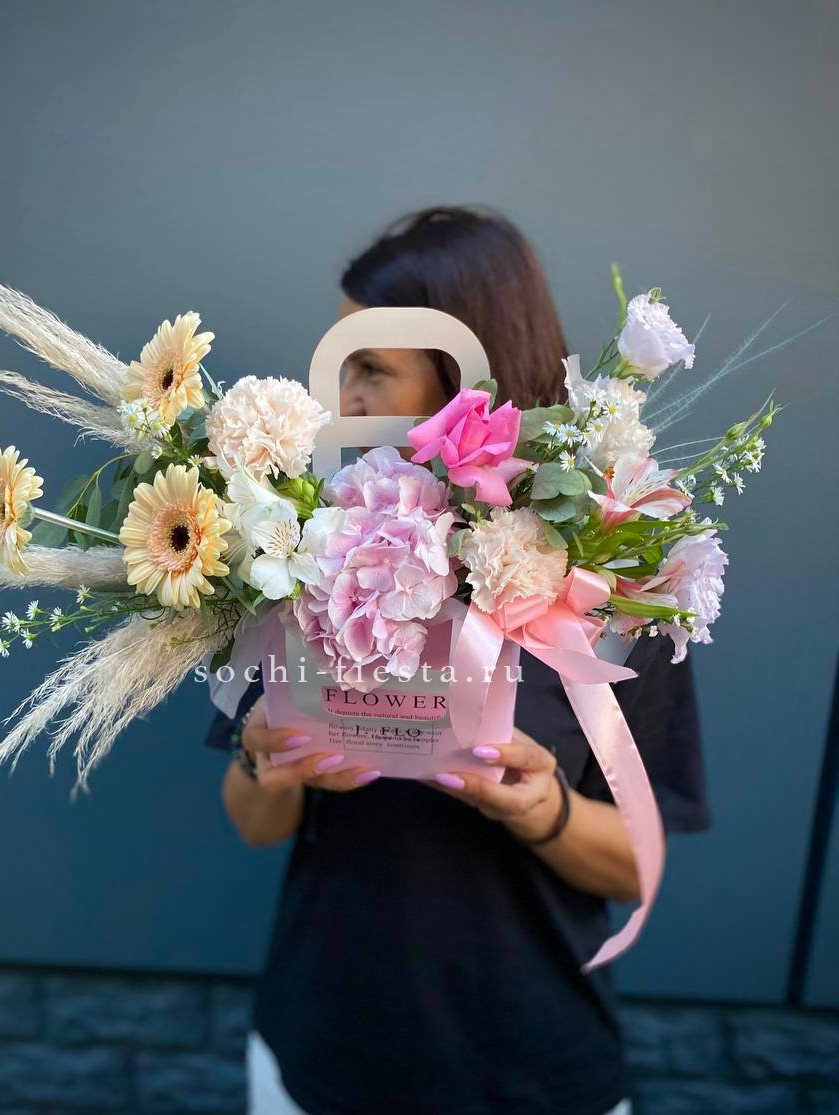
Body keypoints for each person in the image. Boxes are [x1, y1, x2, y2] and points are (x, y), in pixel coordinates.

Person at [205, 206, 711, 1115]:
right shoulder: (302, 548)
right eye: (340, 363)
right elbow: (254, 822)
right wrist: (264, 760)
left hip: (535, 1068)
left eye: (370, 367)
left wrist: (546, 809)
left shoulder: (610, 574)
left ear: (463, 380)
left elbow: (640, 864)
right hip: (323, 1050)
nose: (341, 398)